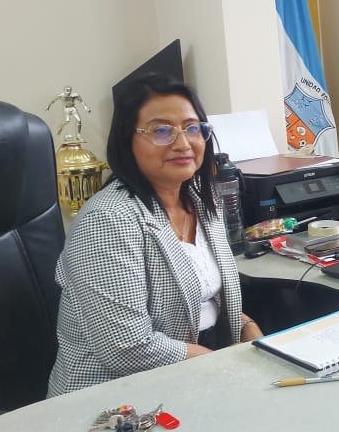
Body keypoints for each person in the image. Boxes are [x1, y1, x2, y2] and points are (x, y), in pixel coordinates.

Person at [48, 73, 262, 396]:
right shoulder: (107, 220)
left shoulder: (201, 199)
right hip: (112, 399)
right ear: (127, 141)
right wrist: (223, 366)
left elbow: (204, 298)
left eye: (192, 128)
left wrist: (247, 328)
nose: (183, 143)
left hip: (190, 376)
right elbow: (126, 347)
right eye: (162, 131)